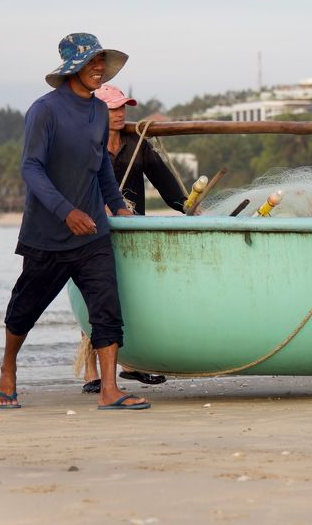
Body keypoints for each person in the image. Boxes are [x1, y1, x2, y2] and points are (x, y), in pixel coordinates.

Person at [0, 32, 150, 411]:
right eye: (92, 61)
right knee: (25, 308)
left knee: (106, 308)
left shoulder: (99, 112)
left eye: (101, 62)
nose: (99, 68)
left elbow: (101, 167)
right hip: (47, 234)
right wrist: (66, 212)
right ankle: (8, 370)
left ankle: (109, 388)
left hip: (92, 233)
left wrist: (117, 206)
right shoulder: (44, 110)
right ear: (72, 67)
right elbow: (31, 168)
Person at [79, 84, 185, 393]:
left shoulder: (137, 144)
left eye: (123, 107)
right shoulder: (86, 143)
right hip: (93, 230)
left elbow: (167, 186)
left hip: (131, 230)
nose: (120, 113)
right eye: (113, 108)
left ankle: (131, 363)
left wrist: (190, 207)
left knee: (131, 292)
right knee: (94, 295)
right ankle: (90, 371)